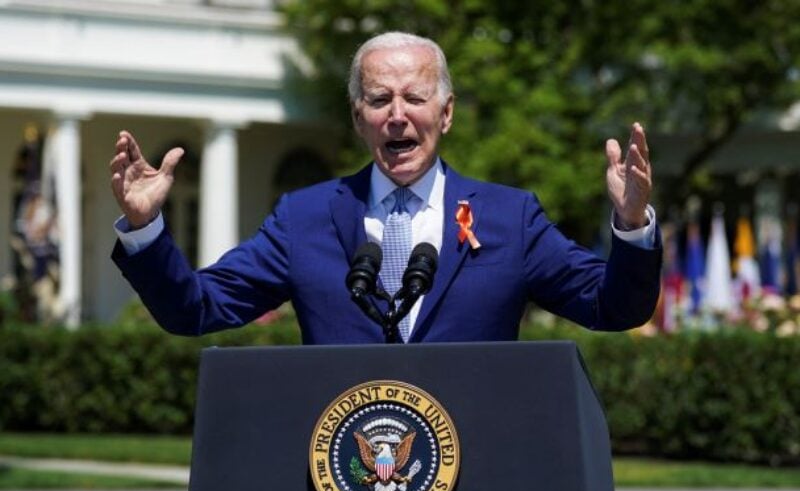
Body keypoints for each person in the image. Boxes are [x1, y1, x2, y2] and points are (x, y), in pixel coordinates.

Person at [110, 32, 661, 344]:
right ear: (358, 117)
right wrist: (145, 228)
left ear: (445, 115)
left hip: (474, 478)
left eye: (415, 99)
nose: (397, 116)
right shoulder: (303, 219)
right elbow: (196, 309)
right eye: (379, 100)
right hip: (344, 484)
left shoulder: (508, 217)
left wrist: (632, 227)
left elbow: (612, 307)